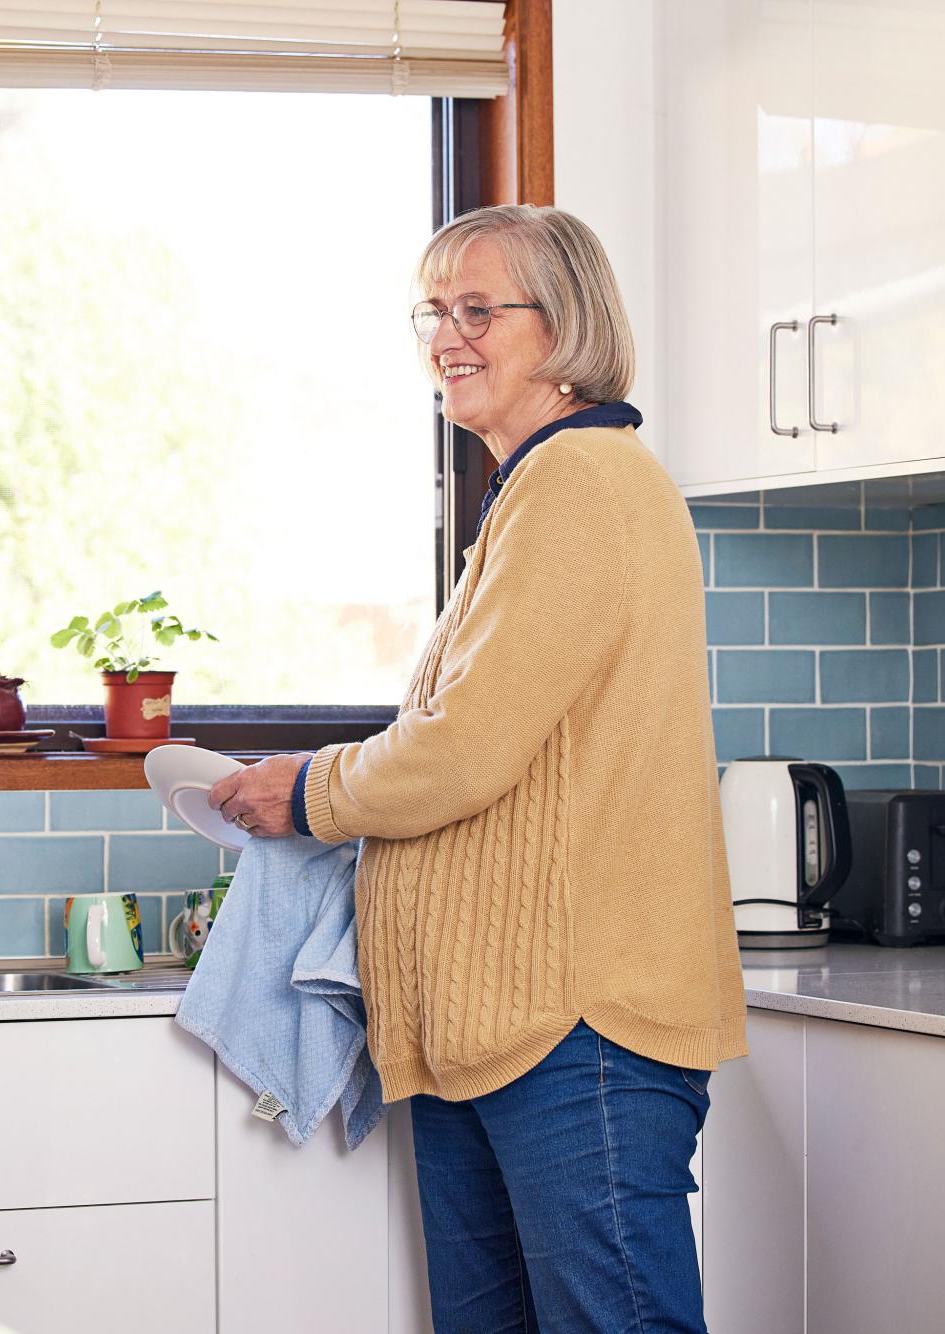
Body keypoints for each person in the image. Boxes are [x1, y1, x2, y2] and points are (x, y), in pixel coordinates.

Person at [211, 204, 746, 1332]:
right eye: (431, 312)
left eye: (475, 309)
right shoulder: (541, 489)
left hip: (573, 1028)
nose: (445, 336)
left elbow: (463, 747)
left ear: (563, 330)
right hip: (498, 1029)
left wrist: (304, 788)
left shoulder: (579, 483)